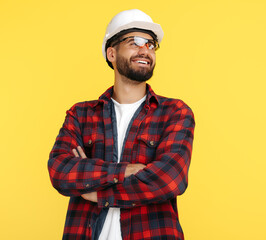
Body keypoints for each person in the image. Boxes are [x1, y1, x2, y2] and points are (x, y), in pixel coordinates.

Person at [48, 9, 195, 240]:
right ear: (111, 53)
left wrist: (96, 192)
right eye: (135, 42)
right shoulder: (80, 114)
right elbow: (60, 170)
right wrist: (125, 170)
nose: (145, 50)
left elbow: (170, 179)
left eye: (150, 44)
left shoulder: (174, 112)